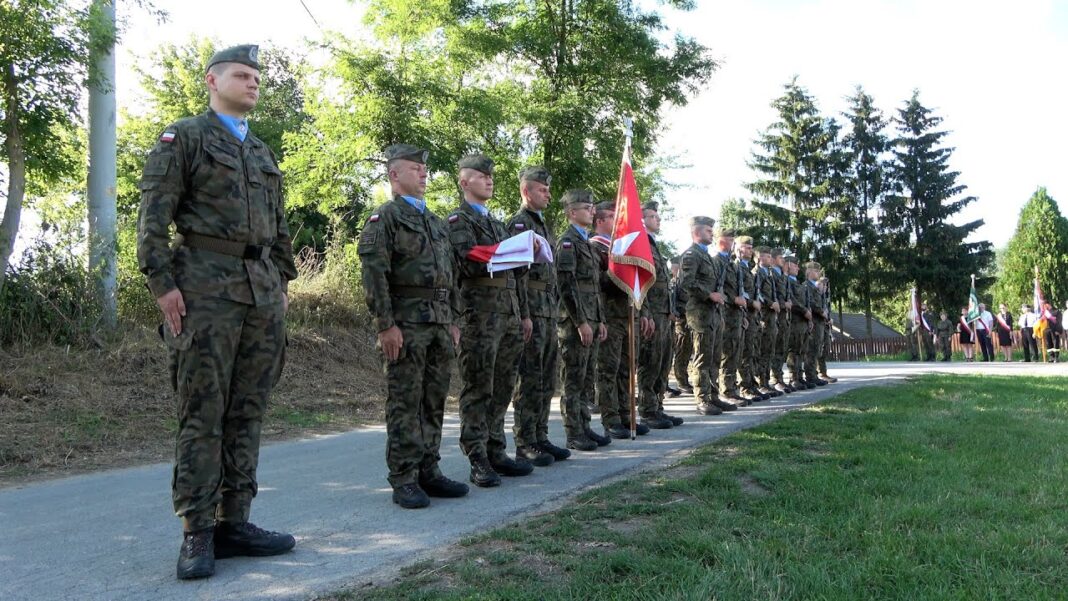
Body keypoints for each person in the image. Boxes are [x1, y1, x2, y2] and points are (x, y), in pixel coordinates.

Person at [137, 45, 298, 579]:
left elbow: (278, 229)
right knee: (202, 412)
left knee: (247, 411)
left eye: (256, 77)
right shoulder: (184, 136)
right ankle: (197, 531)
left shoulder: (262, 151)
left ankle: (236, 522)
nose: (253, 83)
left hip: (260, 294)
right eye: (241, 75)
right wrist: (164, 285)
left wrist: (281, 284)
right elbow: (153, 218)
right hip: (203, 286)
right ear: (212, 80)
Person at [358, 144, 469, 510]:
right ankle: (404, 477)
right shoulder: (385, 218)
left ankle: (428, 469)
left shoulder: (435, 222)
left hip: (438, 323)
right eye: (414, 168)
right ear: (394, 175)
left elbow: (452, 275)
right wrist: (385, 324)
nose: (423, 173)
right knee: (406, 400)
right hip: (406, 323)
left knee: (434, 399)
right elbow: (375, 275)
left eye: (424, 169)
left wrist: (453, 320)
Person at [447, 155, 534, 487]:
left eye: (490, 176)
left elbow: (515, 274)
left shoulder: (498, 225)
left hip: (508, 315)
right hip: (479, 317)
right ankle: (477, 456)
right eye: (481, 176)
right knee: (478, 388)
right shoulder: (459, 221)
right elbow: (469, 262)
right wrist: (504, 253)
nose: (489, 180)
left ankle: (496, 449)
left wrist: (522, 313)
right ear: (464, 182)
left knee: (502, 388)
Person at [507, 167, 571, 467]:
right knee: (530, 377)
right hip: (532, 308)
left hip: (547, 310)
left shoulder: (543, 225)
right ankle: (524, 441)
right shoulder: (520, 224)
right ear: (526, 192)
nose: (548, 194)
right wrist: (523, 313)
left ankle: (540, 435)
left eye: (548, 189)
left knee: (546, 378)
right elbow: (518, 274)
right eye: (542, 190)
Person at [590, 201, 651, 438]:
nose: (619, 223)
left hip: (628, 314)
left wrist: (642, 312)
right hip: (609, 314)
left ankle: (627, 415)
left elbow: (638, 284)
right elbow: (596, 284)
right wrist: (618, 270)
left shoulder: (623, 246)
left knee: (627, 369)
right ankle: (611, 418)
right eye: (613, 218)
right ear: (601, 221)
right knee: (608, 370)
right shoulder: (595, 247)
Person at [555, 190, 609, 451]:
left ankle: (585, 427)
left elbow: (594, 287)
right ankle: (573, 432)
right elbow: (567, 286)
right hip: (575, 324)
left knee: (587, 378)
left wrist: (600, 320)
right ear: (572, 213)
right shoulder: (567, 242)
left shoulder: (586, 243)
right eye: (586, 208)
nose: (592, 211)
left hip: (592, 320)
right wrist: (581, 322)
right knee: (573, 379)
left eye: (592, 207)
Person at [636, 202, 685, 427]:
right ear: (642, 219)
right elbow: (640, 283)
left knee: (664, 362)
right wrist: (645, 312)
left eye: (658, 216)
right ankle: (647, 409)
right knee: (651, 363)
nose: (658, 219)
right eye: (653, 216)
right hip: (652, 315)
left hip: (664, 315)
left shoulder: (654, 245)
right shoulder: (640, 245)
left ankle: (658, 406)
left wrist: (671, 311)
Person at [679, 217, 734, 415]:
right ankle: (702, 399)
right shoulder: (691, 255)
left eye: (712, 230)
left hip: (714, 313)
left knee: (714, 358)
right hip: (700, 313)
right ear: (697, 232)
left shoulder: (708, 257)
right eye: (708, 230)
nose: (712, 233)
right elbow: (686, 282)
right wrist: (709, 294)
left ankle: (713, 396)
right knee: (702, 357)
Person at [753, 247, 783, 397]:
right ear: (758, 258)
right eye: (765, 256)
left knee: (769, 351)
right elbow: (758, 294)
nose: (769, 259)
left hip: (771, 319)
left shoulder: (769, 275)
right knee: (762, 351)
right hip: (763, 318)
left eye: (770, 256)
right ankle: (760, 382)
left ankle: (765, 382)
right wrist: (771, 303)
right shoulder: (756, 273)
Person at [785, 256, 812, 388]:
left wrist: (808, 314)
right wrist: (804, 311)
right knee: (794, 350)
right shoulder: (787, 282)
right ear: (788, 265)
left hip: (803, 322)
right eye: (795, 265)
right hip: (795, 321)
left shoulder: (797, 283)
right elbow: (792, 300)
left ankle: (799, 376)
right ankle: (793, 377)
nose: (798, 268)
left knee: (802, 350)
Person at [669, 257, 694, 394]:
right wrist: (686, 309)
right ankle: (681, 381)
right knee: (681, 351)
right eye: (676, 268)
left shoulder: (686, 283)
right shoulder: (674, 284)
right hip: (681, 322)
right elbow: (674, 305)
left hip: (690, 321)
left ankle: (684, 379)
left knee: (687, 351)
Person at [802, 262, 827, 387]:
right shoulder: (806, 286)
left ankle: (814, 374)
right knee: (811, 350)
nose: (818, 273)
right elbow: (810, 303)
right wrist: (821, 311)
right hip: (814, 322)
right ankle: (810, 376)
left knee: (816, 349)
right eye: (815, 271)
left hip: (819, 323)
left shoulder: (815, 288)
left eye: (818, 271)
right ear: (808, 272)